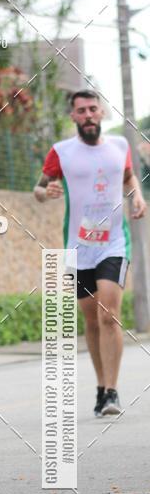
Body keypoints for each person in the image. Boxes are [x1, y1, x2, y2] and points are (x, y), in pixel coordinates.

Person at [34, 89, 146, 417]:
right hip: (78, 246)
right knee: (92, 319)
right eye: (81, 110)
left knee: (108, 314)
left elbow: (129, 177)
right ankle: (100, 386)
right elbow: (38, 188)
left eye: (92, 109)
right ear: (73, 116)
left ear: (101, 113)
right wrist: (46, 191)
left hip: (114, 243)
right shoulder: (61, 152)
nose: (87, 115)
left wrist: (137, 196)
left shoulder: (119, 146)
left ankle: (112, 391)